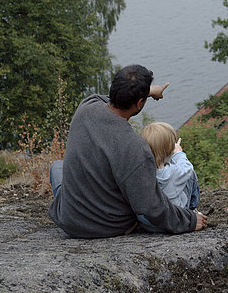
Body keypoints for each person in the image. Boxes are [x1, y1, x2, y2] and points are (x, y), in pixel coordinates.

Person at [48, 64, 207, 238]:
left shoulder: (86, 107)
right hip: (106, 227)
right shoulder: (135, 147)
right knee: (136, 195)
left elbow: (109, 99)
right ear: (139, 103)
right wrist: (190, 220)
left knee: (57, 167)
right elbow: (152, 207)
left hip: (68, 220)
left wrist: (149, 91)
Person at [141, 122, 200, 210]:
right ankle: (192, 209)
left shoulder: (141, 170)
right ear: (169, 149)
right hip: (178, 215)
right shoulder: (173, 172)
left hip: (155, 214)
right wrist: (178, 153)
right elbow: (188, 168)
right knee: (191, 174)